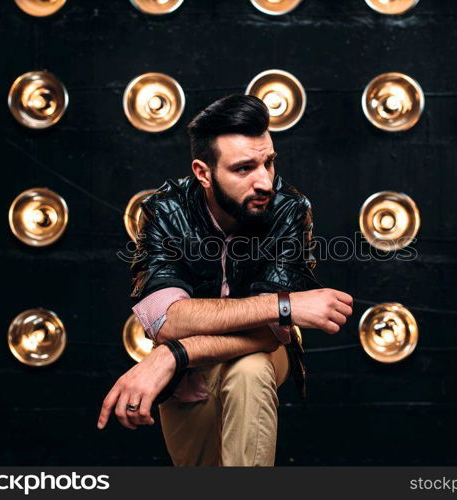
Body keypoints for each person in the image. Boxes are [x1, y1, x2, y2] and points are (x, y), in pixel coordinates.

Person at [97, 94, 353, 466]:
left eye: (269, 162)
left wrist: (173, 354)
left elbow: (271, 333)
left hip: (256, 354)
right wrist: (285, 305)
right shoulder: (164, 210)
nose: (264, 181)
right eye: (244, 168)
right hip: (188, 380)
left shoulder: (290, 210)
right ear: (203, 172)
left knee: (249, 369)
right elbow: (168, 319)